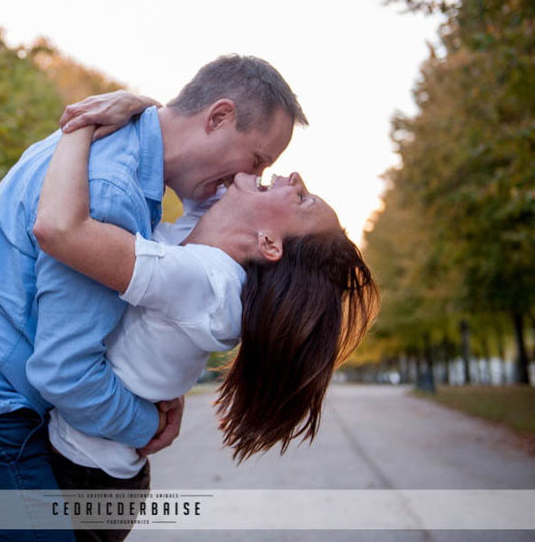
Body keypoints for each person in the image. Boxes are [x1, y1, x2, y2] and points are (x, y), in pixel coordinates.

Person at [0, 55, 307, 539]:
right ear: (218, 117)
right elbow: (66, 372)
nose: (245, 180)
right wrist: (145, 425)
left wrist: (143, 105)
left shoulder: (107, 139)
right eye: (256, 160)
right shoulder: (110, 191)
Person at [35, 128, 378, 542]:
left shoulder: (206, 284)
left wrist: (79, 128)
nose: (295, 177)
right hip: (97, 467)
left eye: (303, 199)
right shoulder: (210, 241)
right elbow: (203, 167)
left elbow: (62, 232)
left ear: (269, 242)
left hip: (81, 478)